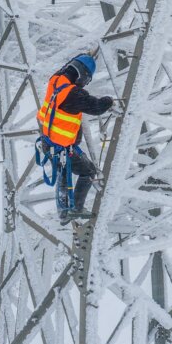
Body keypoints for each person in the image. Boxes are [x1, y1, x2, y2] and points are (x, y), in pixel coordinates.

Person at [36, 54, 114, 224]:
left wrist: (84, 59)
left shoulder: (55, 80)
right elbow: (97, 107)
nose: (84, 85)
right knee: (88, 172)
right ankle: (75, 209)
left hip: (47, 141)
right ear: (83, 76)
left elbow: (68, 71)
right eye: (86, 81)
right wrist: (110, 101)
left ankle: (63, 214)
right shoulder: (73, 94)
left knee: (64, 172)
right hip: (61, 147)